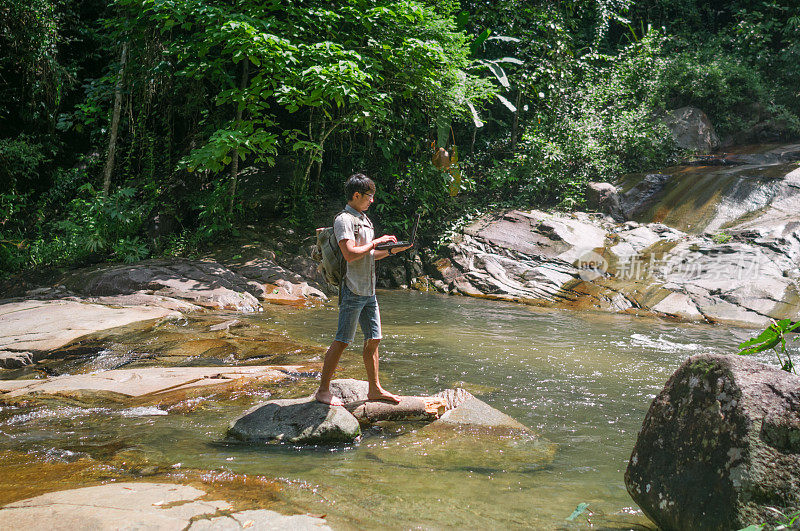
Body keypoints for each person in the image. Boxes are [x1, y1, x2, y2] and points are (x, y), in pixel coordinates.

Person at [314, 173, 412, 406]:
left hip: (369, 291)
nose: (372, 200)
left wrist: (393, 250)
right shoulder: (344, 220)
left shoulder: (365, 220)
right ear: (356, 195)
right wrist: (377, 241)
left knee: (374, 339)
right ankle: (323, 391)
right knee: (343, 340)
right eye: (369, 196)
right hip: (352, 289)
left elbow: (368, 254)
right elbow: (349, 254)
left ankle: (375, 389)